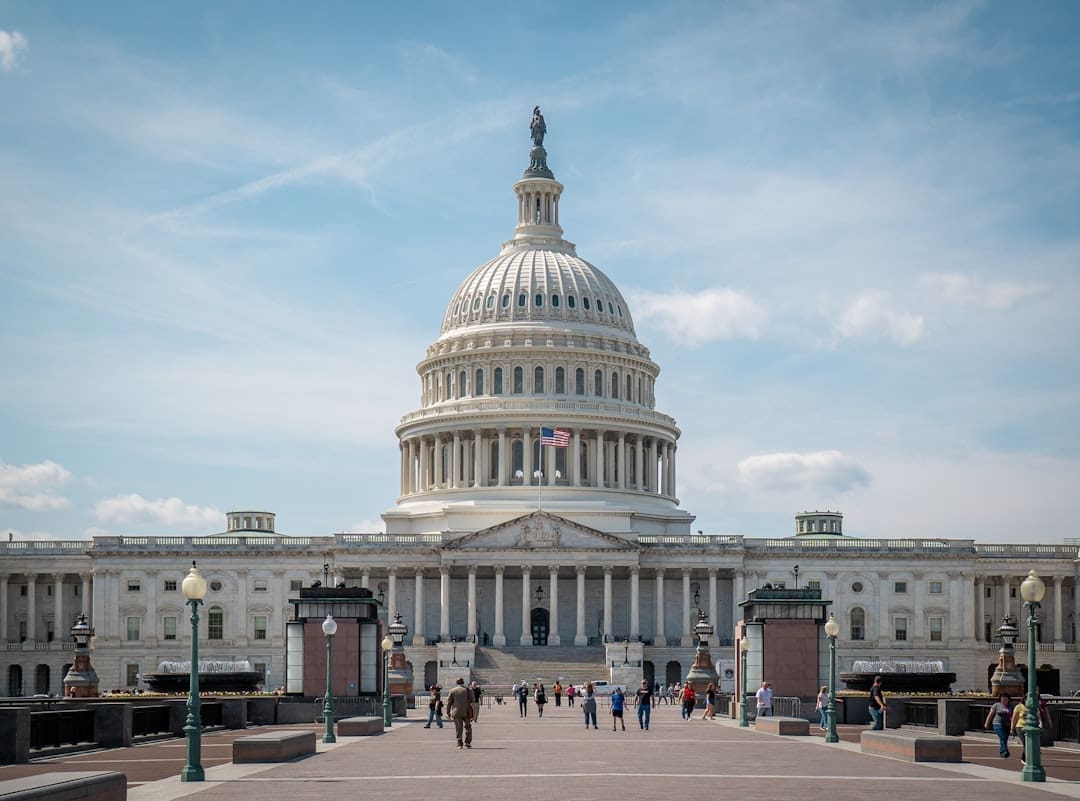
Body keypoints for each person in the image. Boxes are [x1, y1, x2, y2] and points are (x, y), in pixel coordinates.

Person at [1011, 689, 1052, 764]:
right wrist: (1012, 728)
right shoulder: (1019, 706)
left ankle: (1026, 758)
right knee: (1025, 742)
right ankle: (1025, 759)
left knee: (1030, 743)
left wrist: (1040, 726)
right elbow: (1014, 718)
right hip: (1020, 727)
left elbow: (1039, 717)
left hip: (1032, 727)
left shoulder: (1035, 707)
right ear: (1025, 699)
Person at [445, 677, 473, 749]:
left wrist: (448, 712)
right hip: (466, 711)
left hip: (456, 711)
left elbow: (449, 702)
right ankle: (468, 742)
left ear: (456, 682)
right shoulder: (468, 690)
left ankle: (459, 743)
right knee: (468, 727)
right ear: (463, 682)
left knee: (458, 728)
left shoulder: (452, 690)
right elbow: (472, 700)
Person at [984, 691, 1013, 757]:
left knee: (1004, 738)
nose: (1004, 701)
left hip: (1007, 724)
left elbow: (1013, 716)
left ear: (1008, 699)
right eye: (1003, 699)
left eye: (1006, 699)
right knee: (1002, 737)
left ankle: (1002, 752)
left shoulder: (1011, 706)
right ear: (1000, 699)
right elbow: (990, 715)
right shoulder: (996, 705)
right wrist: (987, 723)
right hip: (997, 724)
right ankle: (1005, 751)